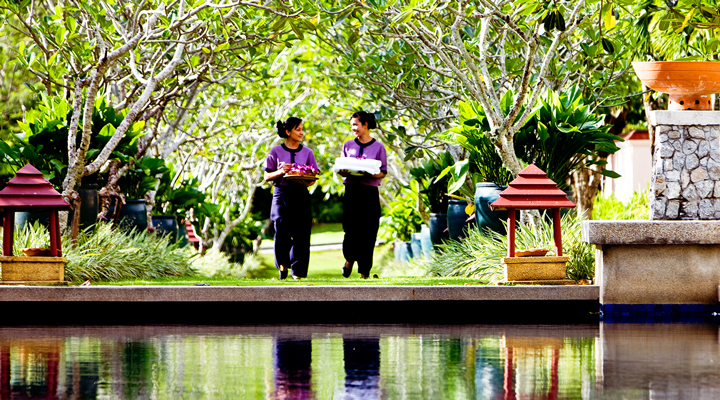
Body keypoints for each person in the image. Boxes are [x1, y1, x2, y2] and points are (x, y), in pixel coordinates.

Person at [264, 117, 319, 280]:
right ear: (288, 132)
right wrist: (281, 171)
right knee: (281, 230)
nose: (302, 132)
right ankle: (282, 265)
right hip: (281, 193)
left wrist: (304, 178)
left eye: (302, 129)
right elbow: (267, 176)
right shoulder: (275, 152)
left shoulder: (308, 153)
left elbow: (313, 176)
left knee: (302, 234)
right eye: (298, 129)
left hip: (301, 194)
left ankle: (298, 272)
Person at [337, 111, 387, 279]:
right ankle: (349, 259)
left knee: (369, 231)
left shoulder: (379, 147)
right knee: (350, 229)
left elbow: (382, 173)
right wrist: (344, 172)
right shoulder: (347, 145)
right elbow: (343, 168)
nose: (353, 128)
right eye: (351, 125)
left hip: (369, 193)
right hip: (351, 191)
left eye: (356, 125)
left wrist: (368, 173)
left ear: (365, 124)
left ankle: (364, 272)